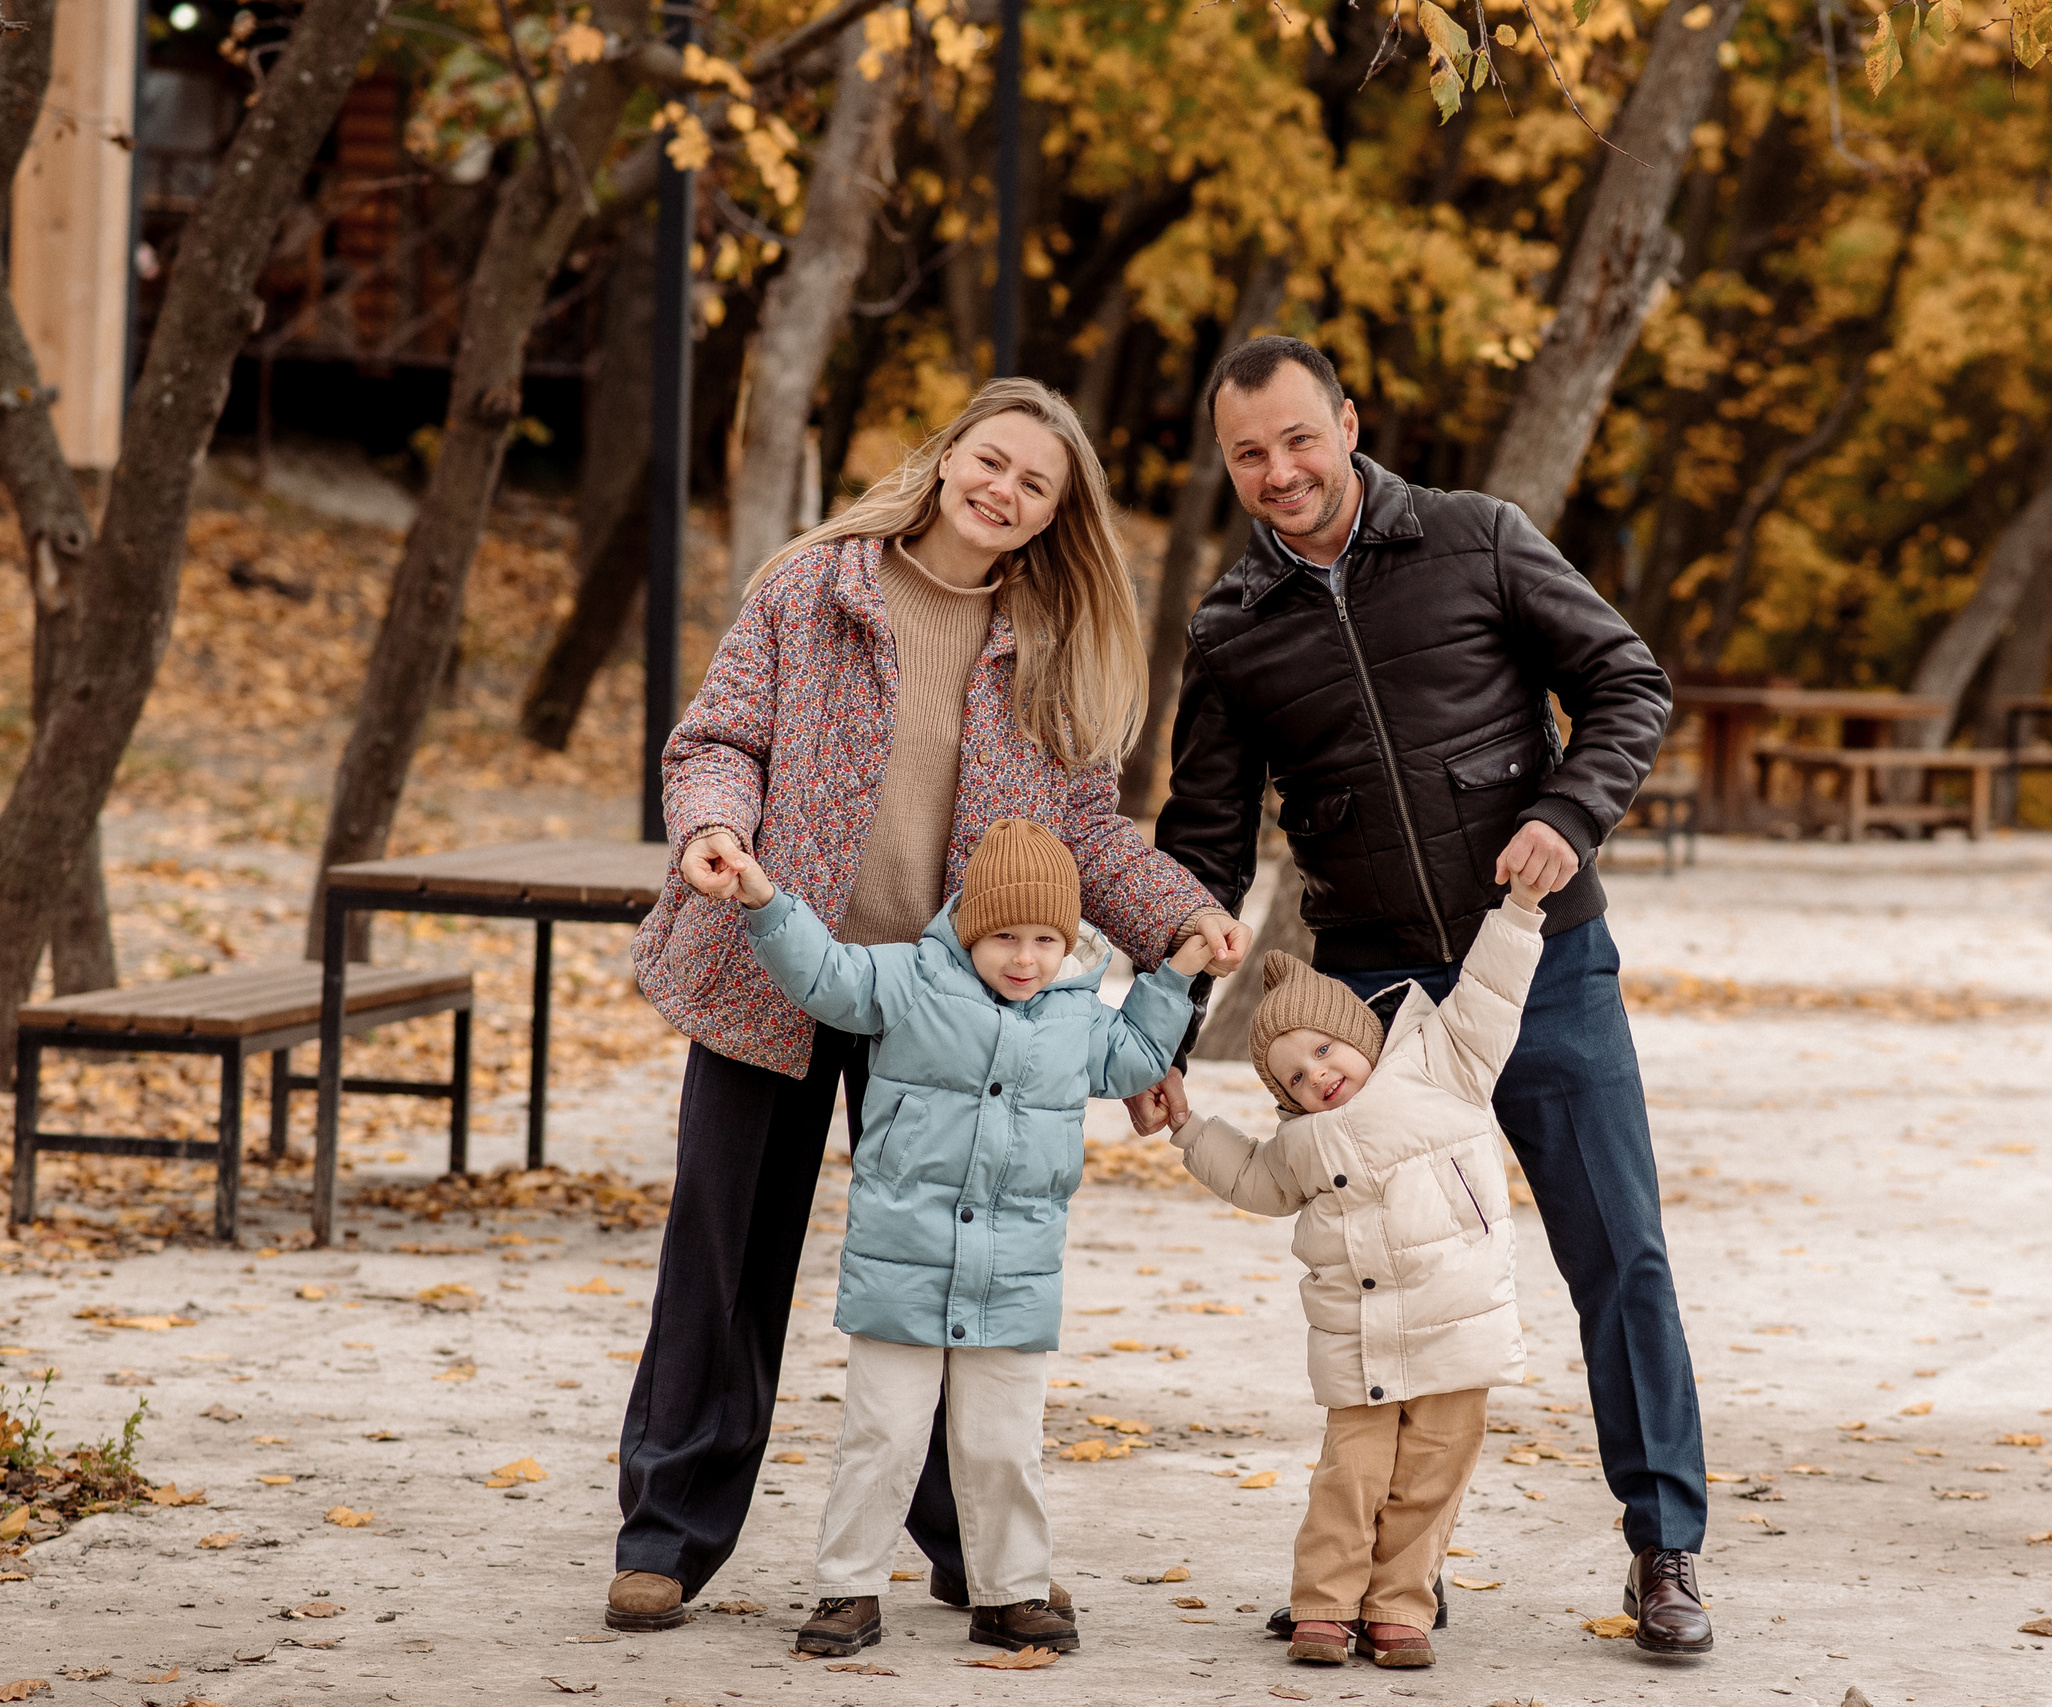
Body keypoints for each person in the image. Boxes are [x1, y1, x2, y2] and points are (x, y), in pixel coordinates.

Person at [612, 379, 1253, 1634]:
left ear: (1051, 516)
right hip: (779, 964)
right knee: (723, 1257)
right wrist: (715, 831)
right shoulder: (815, 588)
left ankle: (973, 1555)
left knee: (954, 1260)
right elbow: (716, 742)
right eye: (990, 460)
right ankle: (667, 1538)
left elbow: (1080, 836)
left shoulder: (1052, 641)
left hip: (950, 1010)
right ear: (948, 454)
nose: (1001, 489)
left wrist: (1175, 919)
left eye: (1034, 484)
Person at [1133, 336, 1714, 1654]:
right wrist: (1154, 1024)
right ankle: (1398, 1570)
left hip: (1540, 960)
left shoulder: (1478, 538)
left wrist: (1571, 810)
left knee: (1617, 1247)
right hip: (1371, 1002)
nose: (1278, 469)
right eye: (1248, 453)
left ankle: (1664, 1542)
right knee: (1388, 1286)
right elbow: (1204, 843)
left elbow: (1628, 679)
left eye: (1297, 437)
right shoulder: (1232, 627)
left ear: (1348, 419)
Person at [699, 819, 1222, 1657]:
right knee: (882, 1434)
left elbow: (1134, 1058)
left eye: (1047, 938)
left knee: (1004, 1442)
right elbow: (828, 974)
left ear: (1069, 938)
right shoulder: (909, 978)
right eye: (1005, 935)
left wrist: (1181, 972)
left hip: (1014, 1271)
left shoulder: (1075, 1015)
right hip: (901, 1262)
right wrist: (765, 901)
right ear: (970, 924)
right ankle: (849, 1587)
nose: (1026, 956)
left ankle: (1011, 1591)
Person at [1167, 869, 1548, 1670]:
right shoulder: (1302, 1142)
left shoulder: (1445, 1061)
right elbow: (1255, 1180)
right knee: (1352, 1476)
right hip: (1362, 1334)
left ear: (1360, 1033)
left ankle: (1401, 1605)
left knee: (1432, 1478)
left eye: (1324, 1049)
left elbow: (1492, 990)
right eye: (1294, 1078)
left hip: (1457, 1320)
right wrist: (1189, 1126)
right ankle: (1326, 1604)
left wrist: (1518, 911)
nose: (1317, 1076)